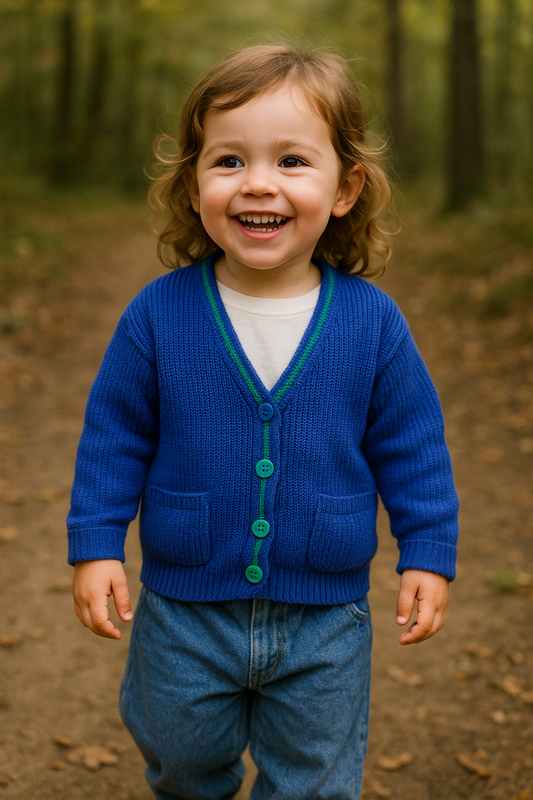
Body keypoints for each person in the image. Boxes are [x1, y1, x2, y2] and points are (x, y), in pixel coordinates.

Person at [68, 43, 459, 800]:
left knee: (314, 779)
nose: (257, 184)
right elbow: (114, 436)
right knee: (182, 760)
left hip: (326, 616)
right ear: (192, 183)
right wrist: (95, 544)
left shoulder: (372, 325)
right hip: (184, 610)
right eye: (228, 162)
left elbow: (412, 446)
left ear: (344, 188)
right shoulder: (157, 316)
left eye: (290, 162)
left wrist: (426, 552)